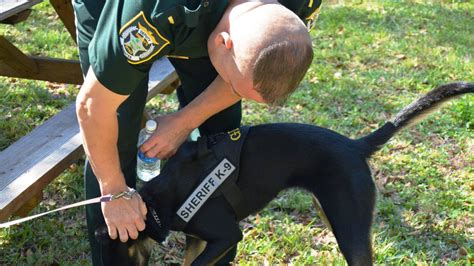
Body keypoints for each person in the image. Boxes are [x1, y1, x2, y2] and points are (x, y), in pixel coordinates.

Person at [73, 0, 321, 264]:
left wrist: (184, 121)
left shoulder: (299, 5)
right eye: (235, 89)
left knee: (219, 135)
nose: (234, 93)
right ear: (224, 43)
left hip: (208, 17)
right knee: (115, 136)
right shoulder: (154, 11)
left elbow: (248, 70)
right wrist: (115, 191)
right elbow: (93, 108)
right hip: (126, 9)